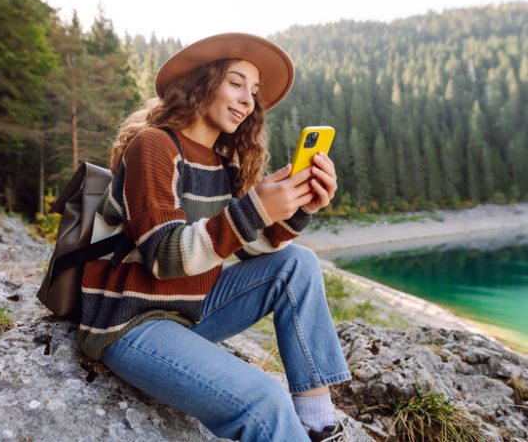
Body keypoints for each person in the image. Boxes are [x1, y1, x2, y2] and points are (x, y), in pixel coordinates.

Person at [78, 33, 352, 442]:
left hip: (187, 314)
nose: (248, 100)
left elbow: (240, 249)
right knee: (263, 401)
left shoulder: (221, 164)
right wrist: (255, 208)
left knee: (298, 264)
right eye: (236, 83)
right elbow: (165, 255)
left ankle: (317, 421)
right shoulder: (153, 145)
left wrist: (298, 209)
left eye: (254, 92)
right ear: (200, 83)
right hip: (132, 324)